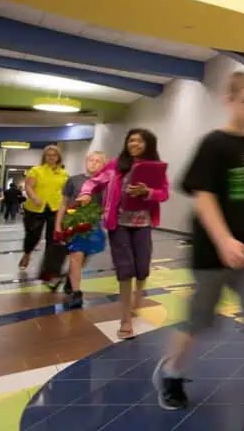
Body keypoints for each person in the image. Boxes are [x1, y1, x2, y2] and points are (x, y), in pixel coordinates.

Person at [152, 71, 244, 431]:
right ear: (229, 100)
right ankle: (171, 372)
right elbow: (204, 196)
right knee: (199, 322)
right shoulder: (212, 144)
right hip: (211, 252)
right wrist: (224, 241)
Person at [78, 129, 168, 339]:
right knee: (125, 269)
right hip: (118, 224)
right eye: (131, 140)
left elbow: (163, 193)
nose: (134, 144)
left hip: (143, 224)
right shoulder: (116, 165)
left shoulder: (155, 168)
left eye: (139, 140)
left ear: (149, 144)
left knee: (142, 267)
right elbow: (95, 181)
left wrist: (148, 192)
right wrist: (85, 192)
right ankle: (125, 319)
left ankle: (136, 300)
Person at [55, 151, 107, 308]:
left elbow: (107, 206)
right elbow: (63, 203)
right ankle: (77, 292)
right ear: (86, 161)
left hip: (93, 225)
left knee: (83, 259)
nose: (94, 163)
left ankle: (70, 279)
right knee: (75, 257)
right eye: (91, 160)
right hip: (74, 223)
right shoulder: (73, 180)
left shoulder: (105, 184)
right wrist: (58, 224)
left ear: (103, 165)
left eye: (98, 161)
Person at [19, 146, 68, 272]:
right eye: (48, 155)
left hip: (55, 208)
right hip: (35, 208)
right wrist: (34, 197)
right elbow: (28, 186)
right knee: (33, 235)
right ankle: (27, 253)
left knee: (52, 238)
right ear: (44, 157)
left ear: (58, 158)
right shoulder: (36, 170)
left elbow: (65, 192)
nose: (51, 157)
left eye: (54, 155)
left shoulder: (63, 173)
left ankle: (48, 267)